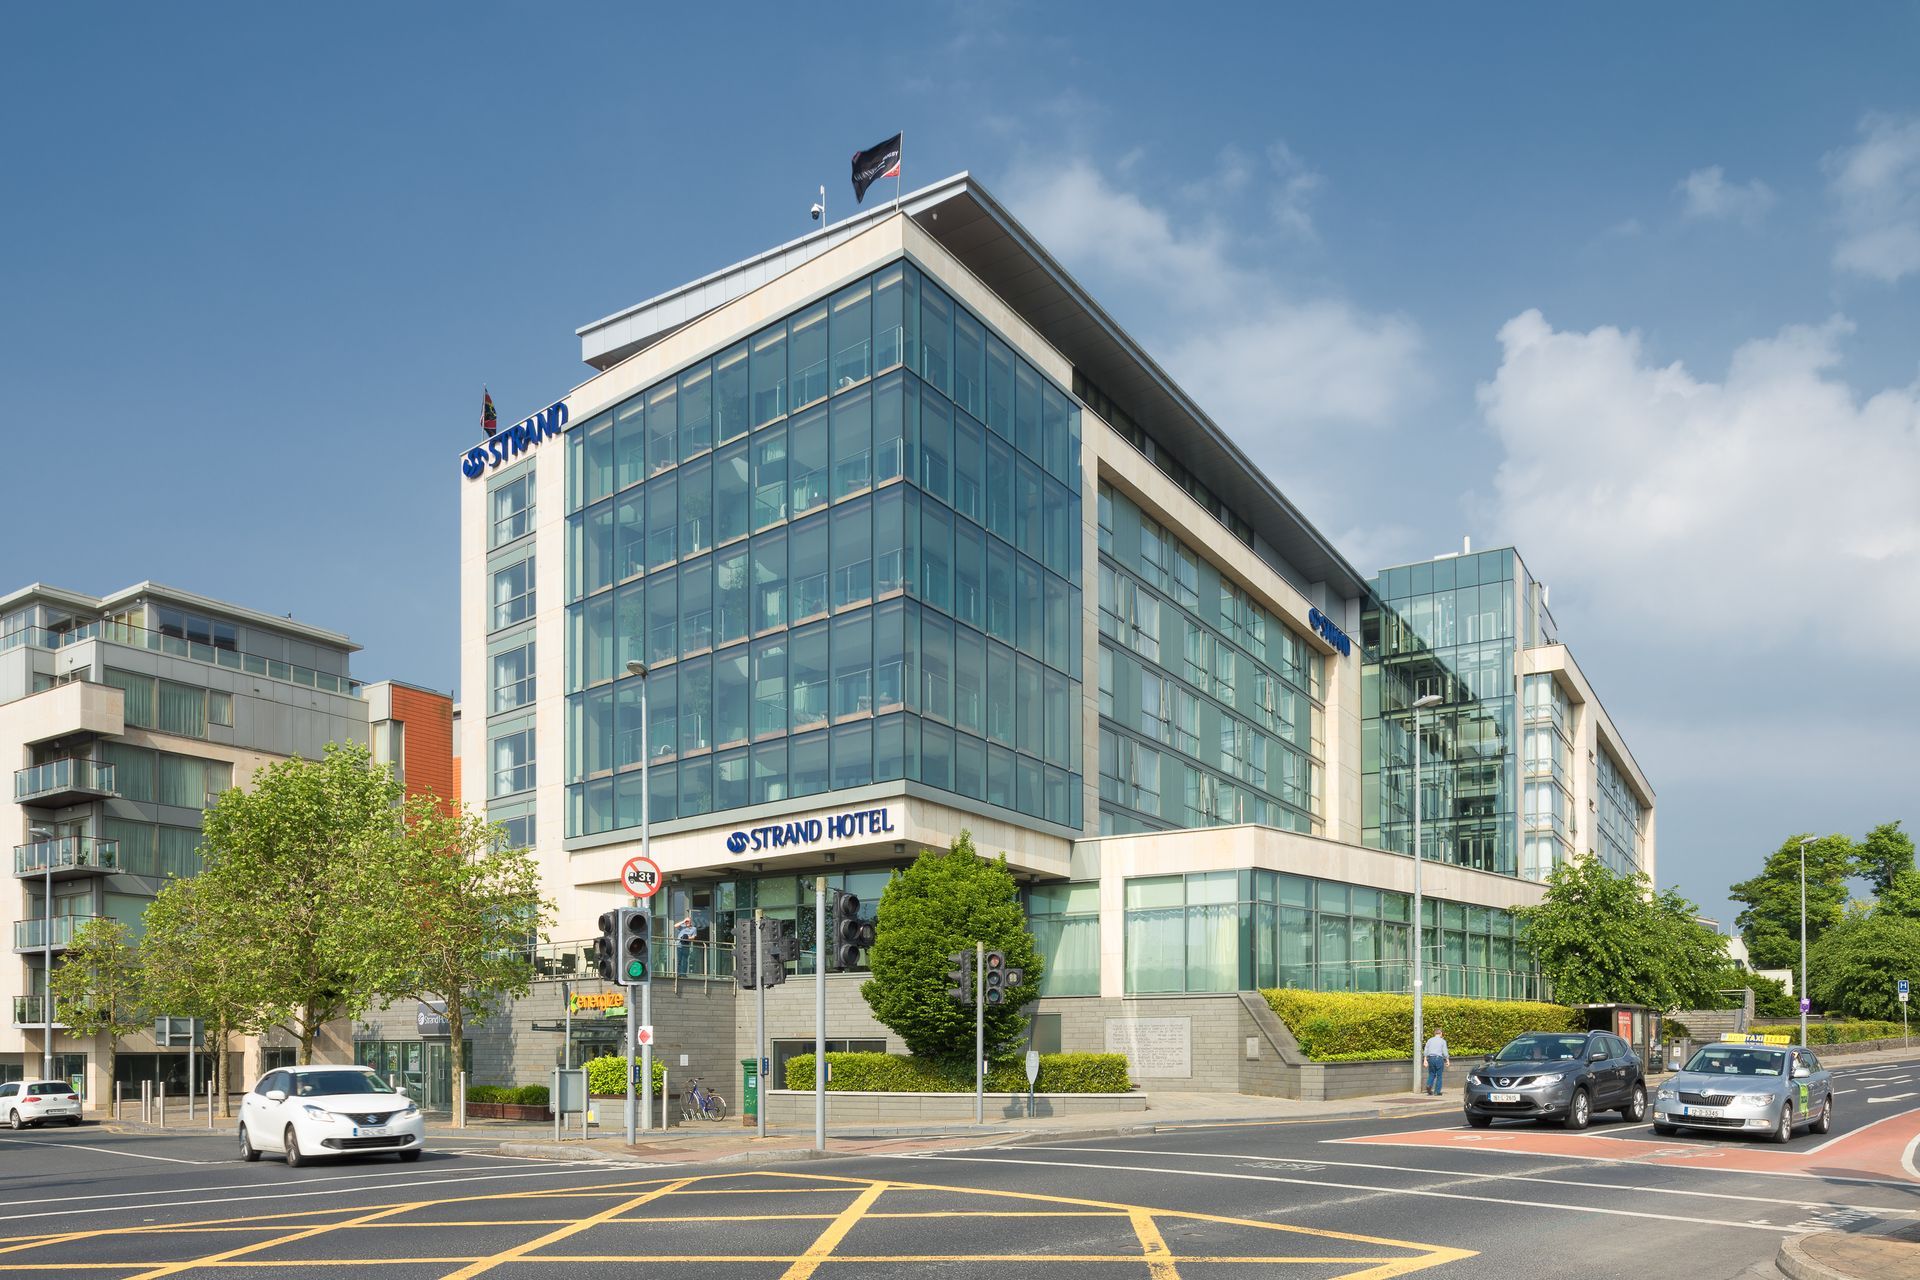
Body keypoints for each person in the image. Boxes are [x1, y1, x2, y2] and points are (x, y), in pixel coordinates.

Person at [1423, 1028, 1450, 1095]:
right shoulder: (1443, 1041)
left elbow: (1426, 1050)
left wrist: (1425, 1060)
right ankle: (1437, 1092)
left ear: (1434, 1033)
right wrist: (1447, 1060)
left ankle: (1429, 1085)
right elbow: (1444, 1052)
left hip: (1431, 1059)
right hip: (1439, 1059)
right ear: (1441, 1033)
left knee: (1431, 1074)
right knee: (1439, 1075)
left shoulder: (1429, 1040)